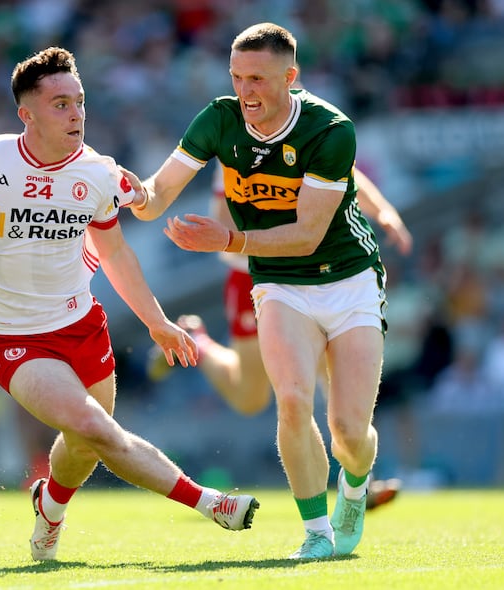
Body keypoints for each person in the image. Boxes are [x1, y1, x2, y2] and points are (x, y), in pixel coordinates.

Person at [0, 47, 258, 562]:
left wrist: (158, 322)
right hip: (12, 340)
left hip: (82, 327)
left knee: (81, 445)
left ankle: (49, 509)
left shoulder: (98, 175)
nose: (76, 113)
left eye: (79, 102)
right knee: (97, 428)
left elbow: (115, 252)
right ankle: (211, 503)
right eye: (60, 104)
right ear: (25, 114)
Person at [125, 23, 387, 560]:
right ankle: (317, 533)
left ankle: (355, 490)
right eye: (238, 77)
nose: (247, 91)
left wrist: (227, 238)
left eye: (260, 79)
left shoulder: (329, 129)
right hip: (279, 283)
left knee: (348, 433)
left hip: (349, 279)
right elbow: (157, 195)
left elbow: (308, 234)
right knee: (291, 402)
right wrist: (120, 190)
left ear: (290, 77)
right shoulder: (219, 119)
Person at [147, 163, 411, 511]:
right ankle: (197, 340)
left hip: (318, 277)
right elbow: (223, 222)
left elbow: (340, 172)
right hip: (256, 278)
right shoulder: (236, 143)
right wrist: (283, 245)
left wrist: (383, 211)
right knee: (250, 396)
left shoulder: (302, 122)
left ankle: (358, 481)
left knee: (336, 377)